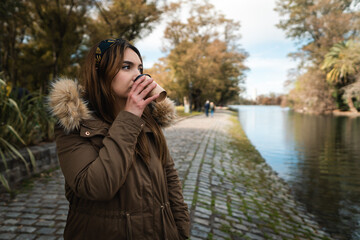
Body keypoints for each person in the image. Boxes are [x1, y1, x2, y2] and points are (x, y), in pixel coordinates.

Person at [48, 38, 190, 240]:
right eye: (126, 67)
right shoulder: (75, 125)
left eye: (140, 68)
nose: (138, 75)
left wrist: (181, 232)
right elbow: (97, 187)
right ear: (100, 73)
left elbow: (170, 178)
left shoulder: (149, 120)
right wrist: (130, 118)